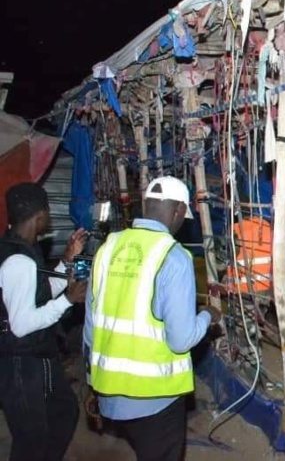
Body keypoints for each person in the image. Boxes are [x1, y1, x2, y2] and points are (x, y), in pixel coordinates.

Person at [84, 176, 221, 461]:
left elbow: (90, 327)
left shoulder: (108, 249)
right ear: (179, 211)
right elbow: (181, 339)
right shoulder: (173, 257)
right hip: (155, 398)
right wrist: (208, 315)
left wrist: (91, 382)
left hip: (109, 390)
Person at [0, 183, 88, 461]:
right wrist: (68, 301)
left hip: (36, 357)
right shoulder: (19, 261)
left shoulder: (21, 247)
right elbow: (22, 324)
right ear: (40, 216)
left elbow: (38, 292)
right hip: (20, 363)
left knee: (63, 411)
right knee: (30, 440)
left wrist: (65, 262)